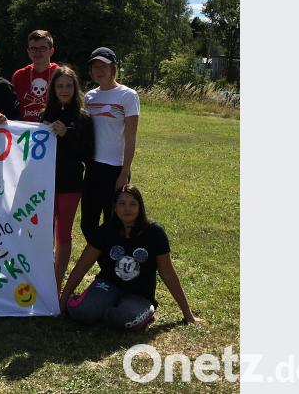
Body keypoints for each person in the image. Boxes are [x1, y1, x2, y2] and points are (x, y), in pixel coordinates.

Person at [59, 185, 199, 330]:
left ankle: (131, 312)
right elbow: (82, 266)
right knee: (82, 312)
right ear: (114, 207)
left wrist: (187, 312)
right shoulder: (105, 230)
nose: (127, 209)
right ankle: (98, 306)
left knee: (126, 319)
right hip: (108, 285)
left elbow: (167, 272)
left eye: (133, 204)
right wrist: (63, 300)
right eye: (122, 204)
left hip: (139, 293)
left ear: (140, 207)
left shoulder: (155, 233)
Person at [39, 66, 94, 297]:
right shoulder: (45, 116)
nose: (64, 90)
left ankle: (56, 283)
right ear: (53, 89)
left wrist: (67, 134)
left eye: (68, 86)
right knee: (43, 233)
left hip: (71, 185)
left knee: (63, 234)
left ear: (75, 88)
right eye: (59, 86)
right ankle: (41, 278)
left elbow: (87, 153)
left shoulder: (83, 117)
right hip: (45, 183)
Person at [80, 47, 139, 245]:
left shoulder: (128, 96)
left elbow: (131, 136)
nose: (99, 70)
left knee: (114, 222)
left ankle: (114, 268)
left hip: (115, 168)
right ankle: (105, 260)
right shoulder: (89, 97)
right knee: (87, 224)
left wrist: (125, 171)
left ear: (113, 68)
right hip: (92, 168)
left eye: (103, 66)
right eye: (94, 66)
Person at [12, 30, 61, 122]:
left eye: (42, 48)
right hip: (26, 131)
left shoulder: (60, 74)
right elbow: (12, 107)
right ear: (28, 52)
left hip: (53, 131)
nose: (37, 53)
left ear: (51, 51)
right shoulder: (19, 76)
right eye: (33, 49)